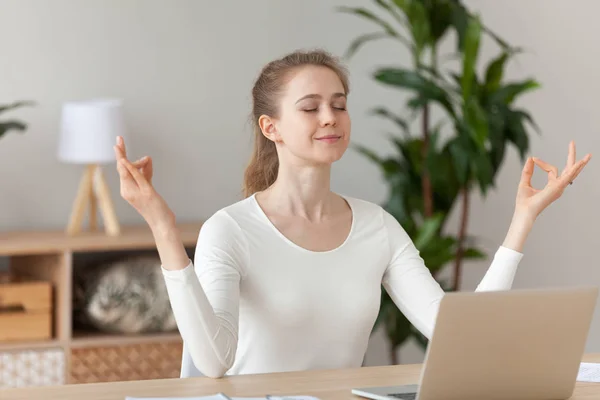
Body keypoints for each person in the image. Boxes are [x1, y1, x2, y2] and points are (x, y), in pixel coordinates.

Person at [114, 49, 591, 379]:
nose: (330, 117)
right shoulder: (231, 230)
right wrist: (161, 226)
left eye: (339, 105)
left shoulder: (376, 227)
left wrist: (522, 220)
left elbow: (461, 333)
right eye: (311, 107)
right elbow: (215, 361)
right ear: (271, 126)